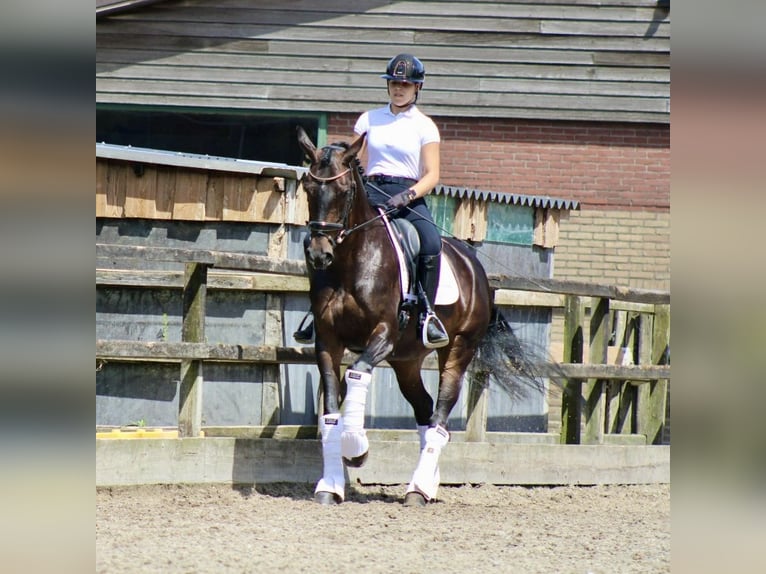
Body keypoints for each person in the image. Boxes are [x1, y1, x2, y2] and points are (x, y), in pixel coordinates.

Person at [294, 53, 449, 349]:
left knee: (430, 242)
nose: (398, 89)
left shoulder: (425, 125)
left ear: (417, 88)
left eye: (405, 84)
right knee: (322, 239)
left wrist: (407, 195)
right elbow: (352, 160)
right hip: (369, 189)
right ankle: (318, 313)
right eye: (394, 83)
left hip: (407, 194)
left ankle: (426, 315)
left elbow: (432, 175)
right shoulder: (368, 119)